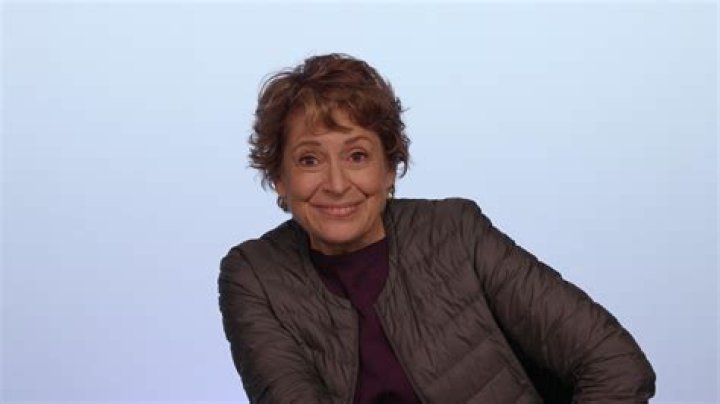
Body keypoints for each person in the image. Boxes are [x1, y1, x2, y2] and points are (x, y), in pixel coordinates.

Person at [218, 53, 656, 404]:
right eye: (309, 159)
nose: (336, 183)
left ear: (390, 168)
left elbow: (615, 364)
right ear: (280, 178)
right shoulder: (253, 275)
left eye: (357, 156)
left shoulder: (455, 232)